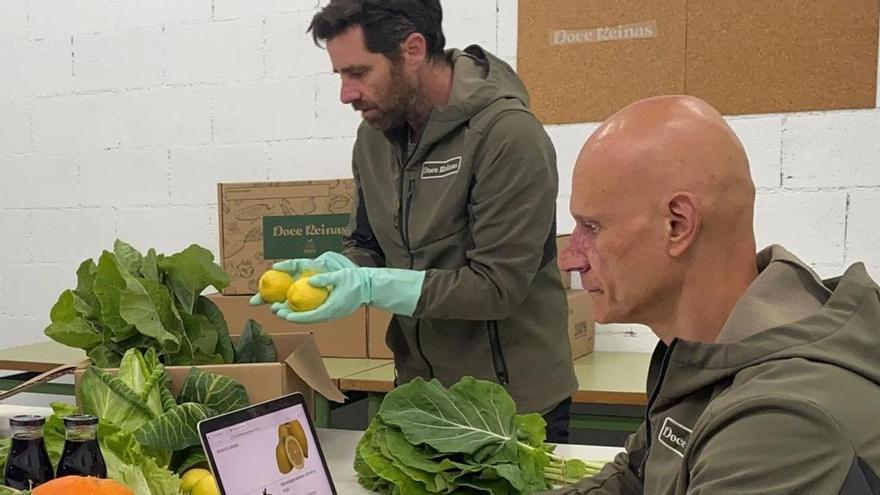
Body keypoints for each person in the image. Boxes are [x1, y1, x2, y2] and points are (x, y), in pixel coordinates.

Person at [250, 0, 577, 441]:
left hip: (511, 409)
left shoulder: (507, 136)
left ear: (413, 49)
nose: (345, 94)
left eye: (358, 73)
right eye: (340, 75)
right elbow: (366, 242)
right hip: (418, 395)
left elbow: (497, 288)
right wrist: (343, 270)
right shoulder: (374, 139)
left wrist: (372, 287)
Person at [550, 94, 880, 494]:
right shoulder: (709, 358)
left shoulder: (779, 422)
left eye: (592, 226)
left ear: (677, 225)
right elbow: (636, 476)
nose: (570, 259)